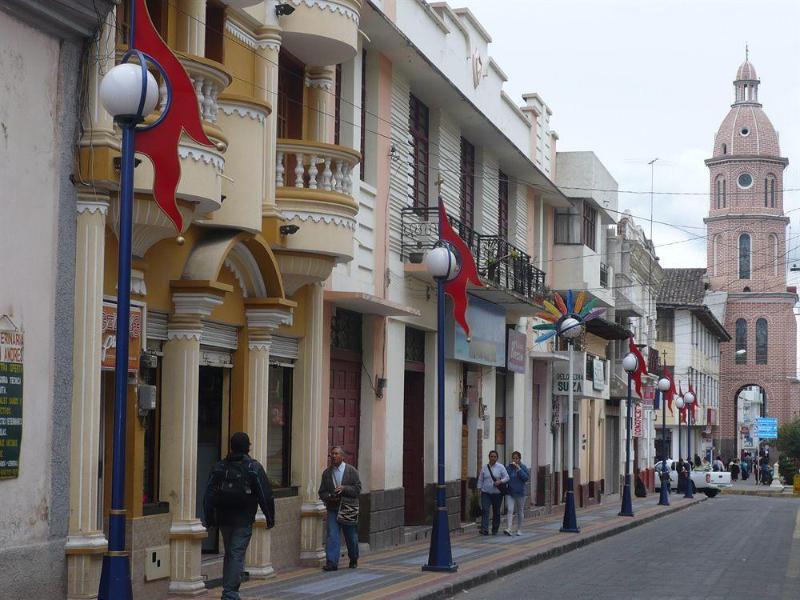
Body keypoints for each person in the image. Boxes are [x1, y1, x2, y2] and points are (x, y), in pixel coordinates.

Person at [202, 432, 275, 600]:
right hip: (243, 519)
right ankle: (230, 593)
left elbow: (208, 494)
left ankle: (229, 590)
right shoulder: (253, 467)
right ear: (247, 447)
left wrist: (209, 517)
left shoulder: (220, 466)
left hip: (224, 518)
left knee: (231, 553)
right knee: (236, 554)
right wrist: (270, 517)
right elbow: (265, 494)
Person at [318, 446, 362, 571]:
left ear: (342, 457)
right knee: (332, 535)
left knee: (351, 535)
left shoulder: (351, 471)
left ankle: (353, 558)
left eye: (336, 454)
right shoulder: (327, 473)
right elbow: (321, 492)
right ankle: (332, 562)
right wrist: (329, 497)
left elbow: (358, 490)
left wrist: (344, 488)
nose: (333, 456)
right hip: (333, 508)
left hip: (348, 508)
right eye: (332, 454)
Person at [477, 450, 509, 536]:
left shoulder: (501, 467)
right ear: (489, 457)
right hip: (486, 493)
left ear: (497, 458)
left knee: (496, 511)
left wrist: (500, 481)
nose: (493, 458)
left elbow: (507, 477)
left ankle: (495, 529)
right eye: (491, 456)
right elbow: (481, 479)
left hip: (497, 494)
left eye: (495, 457)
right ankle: (485, 529)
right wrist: (479, 488)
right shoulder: (484, 467)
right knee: (485, 510)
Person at [504, 451, 529, 536]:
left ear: (519, 459)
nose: (515, 460)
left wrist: (519, 469)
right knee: (510, 509)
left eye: (517, 458)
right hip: (510, 492)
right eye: (513, 458)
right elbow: (505, 476)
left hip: (520, 493)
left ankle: (519, 529)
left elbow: (526, 478)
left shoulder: (523, 467)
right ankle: (509, 528)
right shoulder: (509, 468)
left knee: (520, 511)